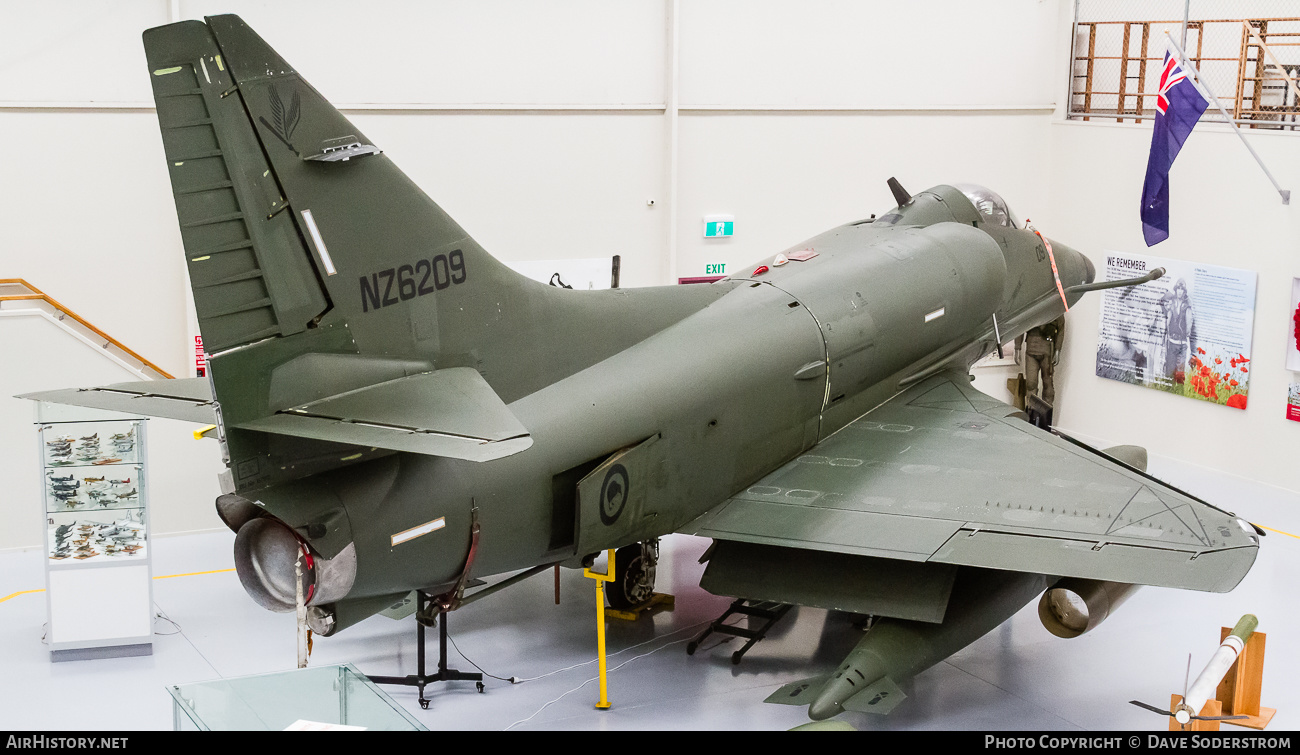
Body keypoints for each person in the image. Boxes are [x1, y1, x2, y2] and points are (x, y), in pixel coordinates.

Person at [1015, 315, 1066, 407]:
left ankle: (1046, 415)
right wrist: (1017, 347)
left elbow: (1061, 328)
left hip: (1047, 352)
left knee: (1048, 385)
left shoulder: (1056, 305)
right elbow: (1021, 325)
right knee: (1031, 384)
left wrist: (1058, 349)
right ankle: (1031, 413)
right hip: (1031, 350)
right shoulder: (1031, 305)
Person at [1157, 278, 1194, 383]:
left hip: (1182, 345)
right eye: (1178, 289)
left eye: (1182, 289)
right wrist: (1168, 296)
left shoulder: (1187, 305)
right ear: (1176, 289)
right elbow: (1160, 301)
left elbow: (1190, 325)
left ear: (1184, 291)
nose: (1180, 291)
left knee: (1180, 377)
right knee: (1168, 374)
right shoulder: (1170, 303)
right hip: (1171, 343)